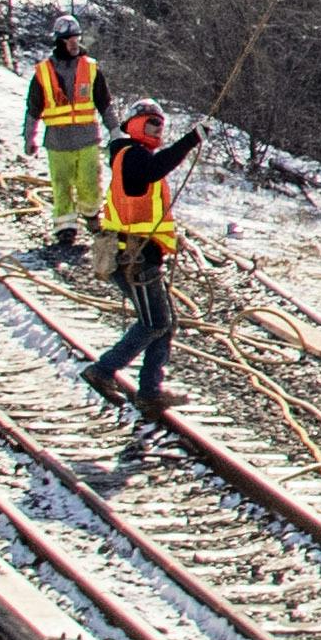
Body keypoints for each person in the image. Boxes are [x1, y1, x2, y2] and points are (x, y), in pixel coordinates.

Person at [75, 95, 196, 440]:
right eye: (151, 122)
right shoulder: (133, 157)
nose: (156, 128)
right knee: (155, 322)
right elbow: (153, 171)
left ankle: (149, 392)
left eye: (160, 123)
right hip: (134, 256)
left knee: (165, 323)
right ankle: (104, 370)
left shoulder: (128, 154)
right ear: (136, 123)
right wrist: (190, 141)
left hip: (140, 254)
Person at [24, 27, 106, 260]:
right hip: (58, 141)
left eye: (76, 39)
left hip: (87, 138)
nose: (73, 44)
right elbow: (33, 109)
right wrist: (29, 137)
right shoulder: (43, 73)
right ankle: (65, 229)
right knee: (61, 185)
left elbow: (104, 103)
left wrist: (116, 131)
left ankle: (91, 214)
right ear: (59, 42)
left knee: (89, 180)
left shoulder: (90, 68)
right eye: (68, 40)